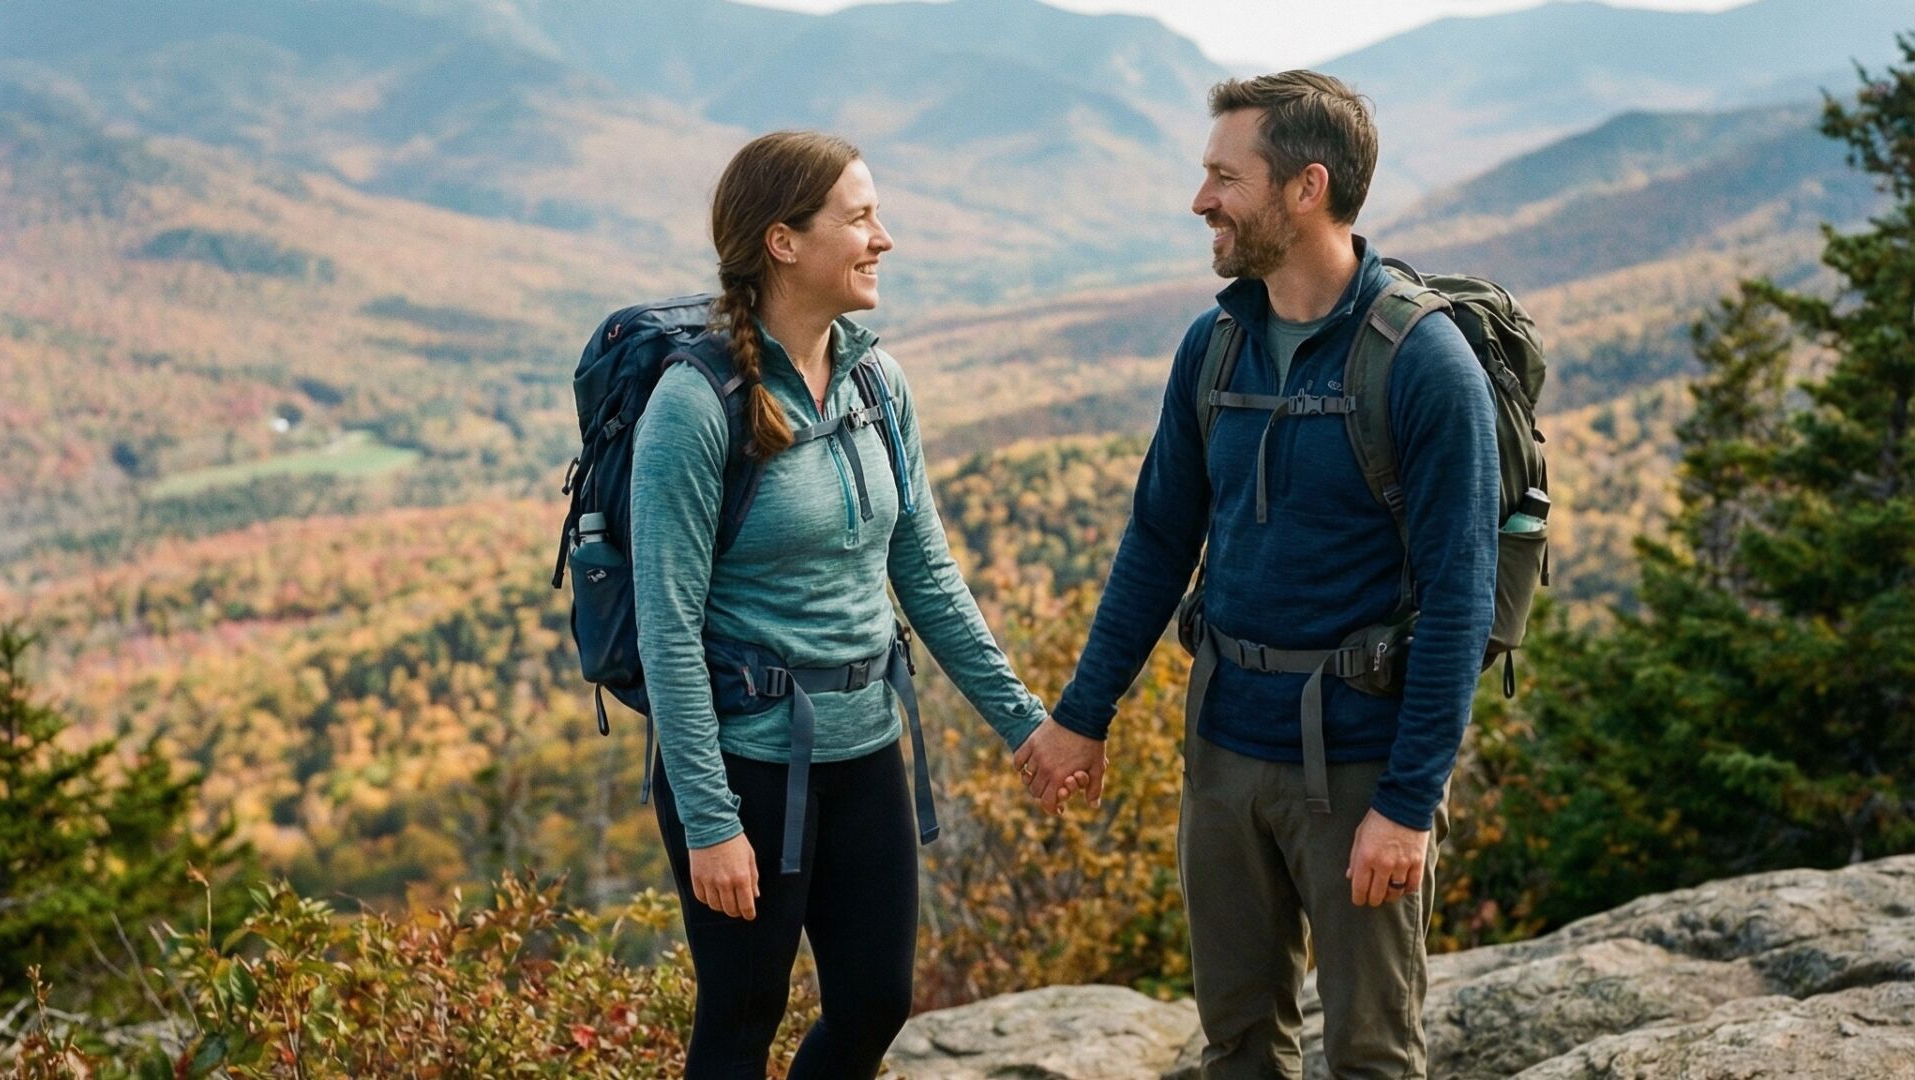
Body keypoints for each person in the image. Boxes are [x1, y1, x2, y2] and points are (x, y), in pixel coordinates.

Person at [1016, 72, 1499, 1078]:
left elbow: (1461, 599)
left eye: (1223, 177)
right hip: (1223, 750)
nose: (1202, 202)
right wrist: (1082, 713)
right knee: (1238, 1044)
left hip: (1361, 765)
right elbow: (1157, 541)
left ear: (1304, 188)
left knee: (1369, 1055)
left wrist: (1409, 804)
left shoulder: (1423, 364)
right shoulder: (1214, 346)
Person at [631, 130, 1082, 1080]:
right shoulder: (698, 402)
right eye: (862, 216)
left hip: (867, 741)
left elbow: (926, 573)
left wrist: (1024, 724)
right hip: (746, 762)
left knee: (877, 1002)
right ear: (784, 242)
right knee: (741, 1020)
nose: (884, 238)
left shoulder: (878, 381)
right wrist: (711, 822)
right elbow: (666, 629)